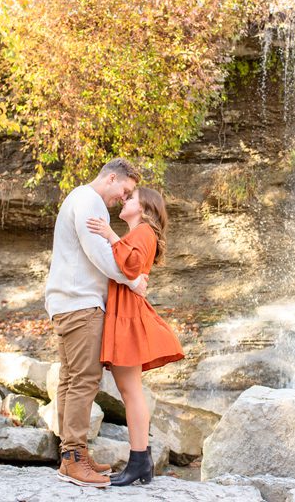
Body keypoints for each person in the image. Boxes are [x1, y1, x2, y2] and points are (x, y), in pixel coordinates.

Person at [46, 158, 148, 488]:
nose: (124, 196)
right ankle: (74, 458)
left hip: (67, 301)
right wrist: (133, 281)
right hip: (80, 304)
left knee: (70, 379)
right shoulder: (89, 201)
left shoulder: (79, 198)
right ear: (112, 177)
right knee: (84, 380)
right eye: (126, 190)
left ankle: (71, 457)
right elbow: (100, 254)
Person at [86, 186, 184, 486]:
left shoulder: (142, 232)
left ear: (144, 208)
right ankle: (142, 462)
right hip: (125, 312)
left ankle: (140, 461)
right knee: (130, 391)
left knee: (131, 393)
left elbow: (129, 266)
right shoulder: (139, 232)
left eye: (131, 197)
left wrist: (109, 235)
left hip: (128, 315)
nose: (125, 199)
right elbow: (129, 272)